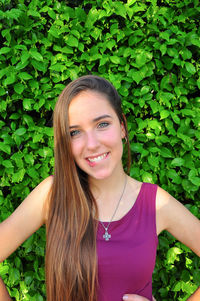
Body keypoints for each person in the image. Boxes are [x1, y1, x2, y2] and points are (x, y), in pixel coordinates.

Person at [0, 75, 199, 301]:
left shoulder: (155, 204)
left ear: (122, 127)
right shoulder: (53, 194)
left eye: (102, 124)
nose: (92, 144)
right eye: (75, 132)